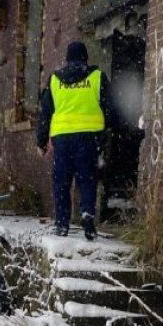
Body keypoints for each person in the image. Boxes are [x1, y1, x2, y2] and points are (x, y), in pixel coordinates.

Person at [36, 41, 115, 240]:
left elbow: (45, 113)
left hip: (62, 139)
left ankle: (62, 223)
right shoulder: (97, 77)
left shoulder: (55, 79)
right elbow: (109, 107)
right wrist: (108, 130)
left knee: (62, 180)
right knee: (87, 178)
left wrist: (41, 141)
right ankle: (87, 213)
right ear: (85, 58)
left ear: (67, 58)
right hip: (89, 137)